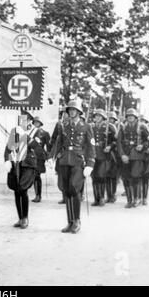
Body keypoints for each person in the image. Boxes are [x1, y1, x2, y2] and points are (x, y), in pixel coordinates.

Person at [55, 99, 96, 234]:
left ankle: (77, 220)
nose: (71, 112)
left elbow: (91, 147)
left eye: (74, 110)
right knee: (66, 190)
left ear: (79, 112)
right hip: (65, 160)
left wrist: (90, 164)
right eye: (69, 110)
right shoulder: (64, 125)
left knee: (74, 188)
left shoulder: (86, 127)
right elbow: (59, 143)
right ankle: (70, 221)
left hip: (79, 161)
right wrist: (52, 156)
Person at [4, 111, 38, 229]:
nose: (22, 121)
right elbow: (8, 147)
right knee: (16, 190)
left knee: (23, 189)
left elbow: (36, 146)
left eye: (25, 119)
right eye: (21, 119)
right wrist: (6, 160)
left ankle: (25, 217)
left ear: (30, 121)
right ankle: (20, 217)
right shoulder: (15, 131)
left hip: (28, 164)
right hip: (16, 163)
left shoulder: (34, 131)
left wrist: (24, 135)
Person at [117, 108, 149, 208]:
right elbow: (119, 142)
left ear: (135, 117)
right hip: (125, 156)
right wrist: (122, 155)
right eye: (128, 116)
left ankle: (136, 198)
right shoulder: (123, 128)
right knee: (126, 178)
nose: (130, 117)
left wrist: (143, 146)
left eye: (132, 116)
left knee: (135, 177)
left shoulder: (142, 127)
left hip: (137, 156)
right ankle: (129, 200)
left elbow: (148, 140)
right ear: (126, 117)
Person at [90, 109, 117, 206]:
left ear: (103, 117)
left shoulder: (109, 127)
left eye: (99, 116)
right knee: (94, 177)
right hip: (93, 154)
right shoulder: (91, 127)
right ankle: (96, 198)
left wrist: (110, 146)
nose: (97, 118)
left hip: (104, 155)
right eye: (96, 116)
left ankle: (101, 198)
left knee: (101, 176)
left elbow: (115, 140)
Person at [30, 116, 50, 203]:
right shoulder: (30, 133)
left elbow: (49, 146)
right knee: (33, 176)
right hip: (30, 156)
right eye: (35, 122)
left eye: (38, 122)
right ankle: (36, 194)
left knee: (37, 176)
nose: (36, 123)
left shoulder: (45, 133)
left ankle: (38, 195)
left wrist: (49, 157)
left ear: (40, 124)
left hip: (39, 157)